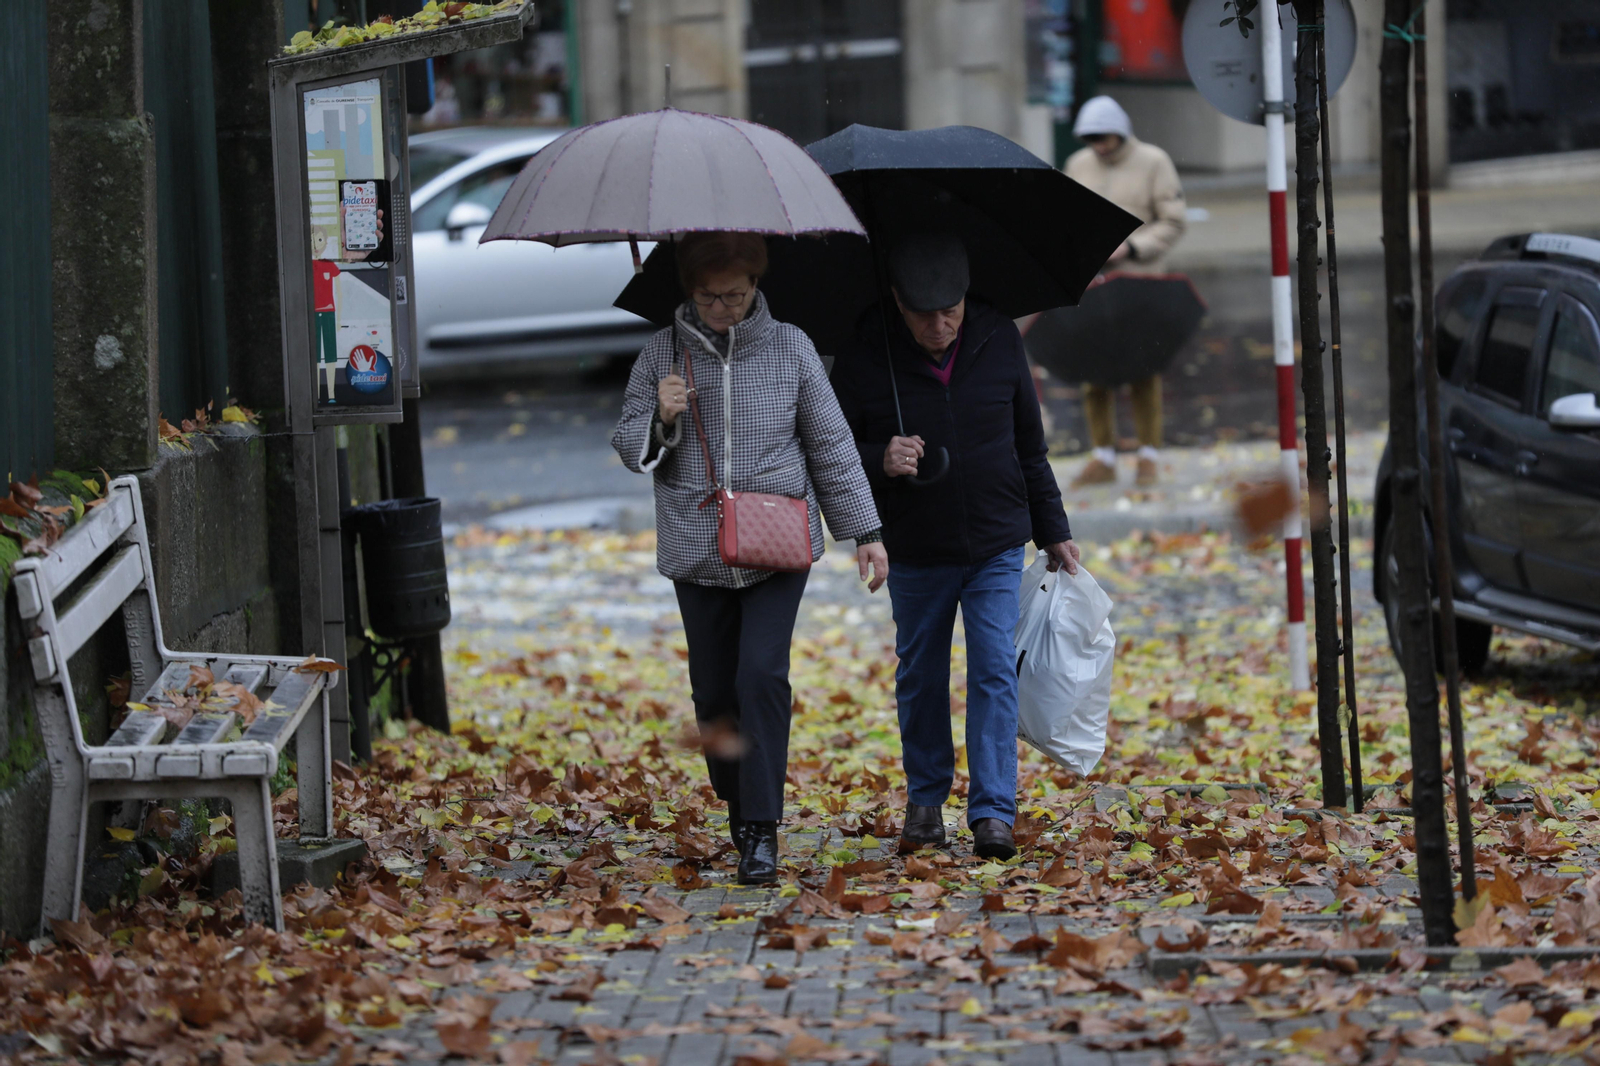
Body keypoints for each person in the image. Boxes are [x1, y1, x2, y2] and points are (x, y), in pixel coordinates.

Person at [610, 232, 888, 885]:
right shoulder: (661, 353)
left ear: (756, 286)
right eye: (709, 296)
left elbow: (831, 444)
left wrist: (865, 531)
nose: (722, 308)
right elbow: (627, 442)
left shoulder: (791, 348)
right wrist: (660, 416)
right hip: (696, 543)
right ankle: (740, 800)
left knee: (762, 676)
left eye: (735, 295)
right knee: (714, 693)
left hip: (775, 542)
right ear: (689, 289)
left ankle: (760, 829)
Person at [832, 232, 1079, 861]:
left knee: (995, 666)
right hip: (915, 544)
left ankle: (994, 811)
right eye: (923, 315)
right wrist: (879, 457)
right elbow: (831, 450)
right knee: (920, 674)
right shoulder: (867, 349)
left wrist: (1053, 528)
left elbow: (1031, 444)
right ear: (895, 300)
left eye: (951, 310)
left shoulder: (998, 340)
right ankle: (925, 800)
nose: (940, 326)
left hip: (997, 537)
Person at [1063, 95, 1187, 488]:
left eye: (1105, 138)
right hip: (1095, 285)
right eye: (1091, 139)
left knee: (1143, 368)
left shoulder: (1154, 161)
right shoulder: (1078, 165)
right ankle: (1103, 455)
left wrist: (1133, 247)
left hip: (1141, 282)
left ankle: (1148, 455)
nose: (1099, 146)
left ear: (1120, 133)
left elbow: (1173, 220)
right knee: (1092, 369)